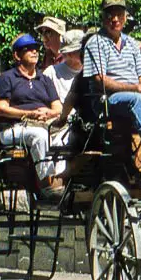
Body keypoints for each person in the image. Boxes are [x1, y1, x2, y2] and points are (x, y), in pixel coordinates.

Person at [77, 0, 141, 163]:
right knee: (137, 100)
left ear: (126, 17)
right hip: (107, 100)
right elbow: (100, 80)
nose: (115, 19)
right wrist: (132, 88)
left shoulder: (132, 44)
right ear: (102, 17)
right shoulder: (96, 43)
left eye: (119, 14)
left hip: (136, 94)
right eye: (109, 15)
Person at [0, 34, 63, 197]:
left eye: (36, 49)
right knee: (39, 135)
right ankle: (46, 183)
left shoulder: (44, 78)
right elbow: (1, 108)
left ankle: (62, 178)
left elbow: (58, 106)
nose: (34, 52)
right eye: (28, 49)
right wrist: (29, 114)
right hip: (14, 127)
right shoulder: (8, 78)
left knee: (66, 134)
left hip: (45, 123)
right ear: (17, 55)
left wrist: (48, 113)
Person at [43, 29, 85, 176]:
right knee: (62, 142)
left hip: (85, 123)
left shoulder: (90, 72)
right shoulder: (51, 73)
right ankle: (59, 180)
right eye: (73, 52)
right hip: (61, 124)